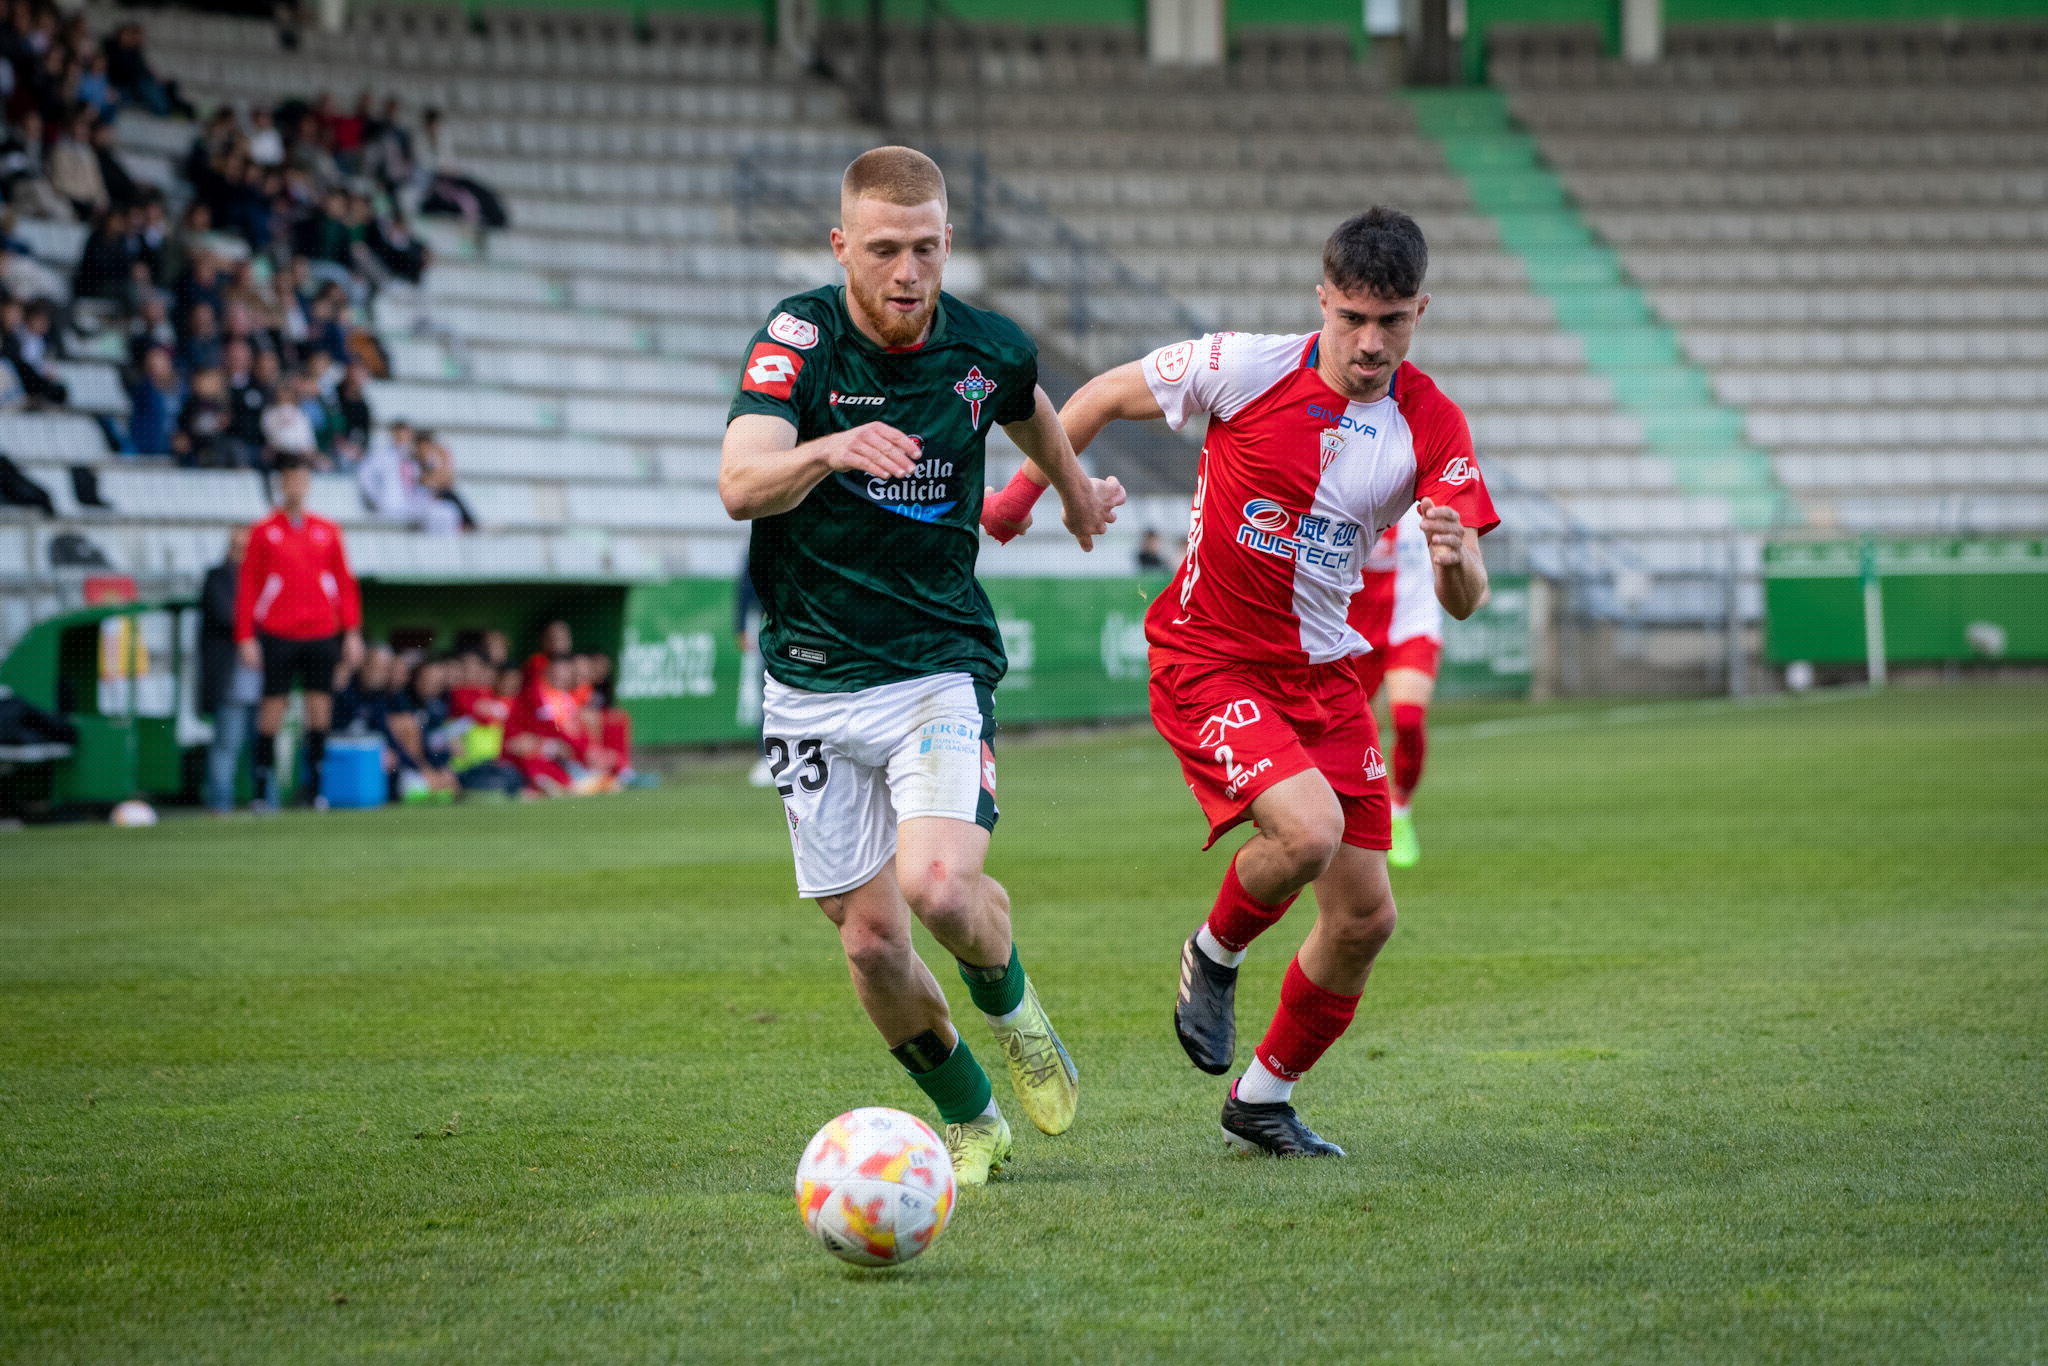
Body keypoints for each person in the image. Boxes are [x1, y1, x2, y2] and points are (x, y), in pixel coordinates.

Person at [986, 206, 1498, 1157]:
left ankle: (1260, 1100)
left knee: (1365, 918)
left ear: (1421, 311)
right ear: (1322, 302)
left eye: (1393, 321)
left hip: (1323, 672)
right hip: (1208, 653)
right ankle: (1214, 952)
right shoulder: (1244, 365)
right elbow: (1094, 395)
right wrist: (1024, 501)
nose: (1371, 342)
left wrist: (1456, 555)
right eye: (1353, 318)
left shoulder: (1432, 422)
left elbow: (1464, 598)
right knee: (1308, 830)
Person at [718, 146, 1124, 1184]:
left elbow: (1025, 401)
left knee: (941, 889)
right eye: (887, 249)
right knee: (867, 944)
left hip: (935, 666)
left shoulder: (984, 346)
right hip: (808, 686)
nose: (909, 271)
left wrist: (1071, 492)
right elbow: (738, 483)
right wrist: (825, 452)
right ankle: (972, 1118)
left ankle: (1013, 1007)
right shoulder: (797, 341)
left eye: (929, 249)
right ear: (841, 246)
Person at [234, 450, 365, 809]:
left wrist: (352, 632)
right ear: (281, 483)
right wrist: (245, 636)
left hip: (322, 632)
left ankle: (317, 789)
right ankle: (262, 791)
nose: (296, 485)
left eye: (301, 479)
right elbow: (248, 587)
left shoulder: (327, 530)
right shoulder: (263, 532)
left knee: (319, 710)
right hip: (278, 632)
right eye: (289, 478)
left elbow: (344, 583)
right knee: (272, 710)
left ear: (308, 484)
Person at [1348, 505, 1461, 868]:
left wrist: (1470, 575)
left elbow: (1464, 541)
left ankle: (1400, 810)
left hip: (1412, 625)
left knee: (1409, 721)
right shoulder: (1350, 493)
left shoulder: (1428, 498)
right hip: (1351, 633)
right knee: (1351, 734)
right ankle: (1362, 817)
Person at [198, 527, 260, 813]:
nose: (241, 552)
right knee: (227, 745)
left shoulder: (262, 578)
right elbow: (227, 617)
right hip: (230, 680)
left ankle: (264, 803)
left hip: (263, 682)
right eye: (236, 546)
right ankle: (221, 805)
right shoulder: (217, 577)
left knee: (261, 747)